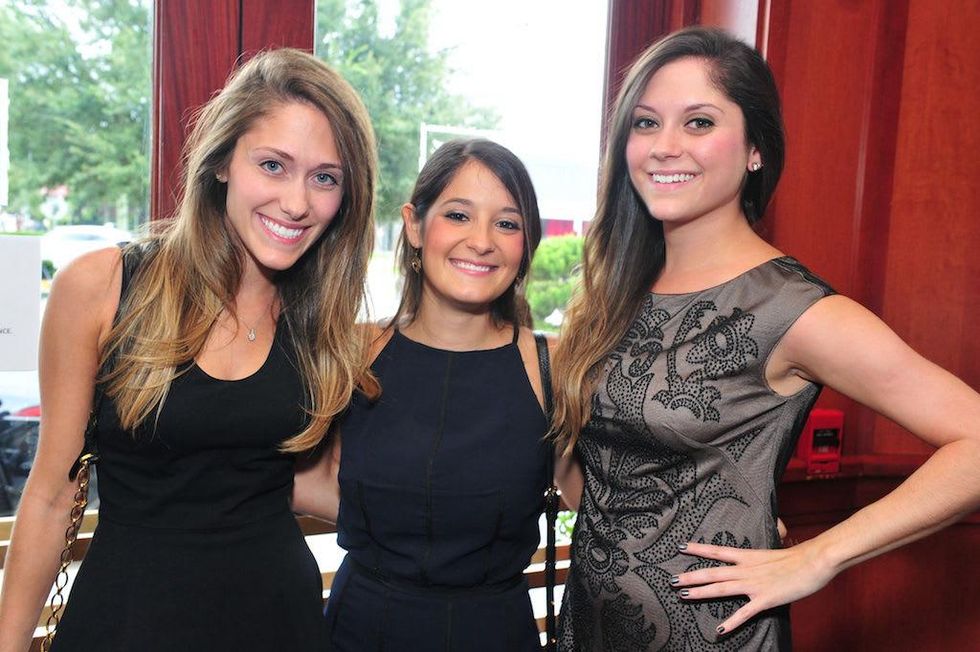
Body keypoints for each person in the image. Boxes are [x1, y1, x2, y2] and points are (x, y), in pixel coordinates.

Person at [550, 26, 980, 651]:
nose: (665, 147)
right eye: (645, 123)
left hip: (713, 635)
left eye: (699, 122)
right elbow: (592, 478)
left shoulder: (791, 310)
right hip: (590, 627)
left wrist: (819, 556)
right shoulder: (615, 293)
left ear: (755, 149)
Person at [0, 48, 378, 652]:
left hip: (279, 623)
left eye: (325, 178)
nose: (297, 202)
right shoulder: (102, 288)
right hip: (128, 623)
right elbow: (50, 494)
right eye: (273, 165)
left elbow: (306, 481)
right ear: (223, 161)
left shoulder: (322, 322)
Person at [294, 138, 577, 651]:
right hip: (361, 628)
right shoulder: (350, 351)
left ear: (526, 244)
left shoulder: (554, 366)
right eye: (458, 215)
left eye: (507, 223)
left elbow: (603, 500)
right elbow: (302, 480)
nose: (482, 241)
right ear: (414, 225)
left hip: (495, 633)